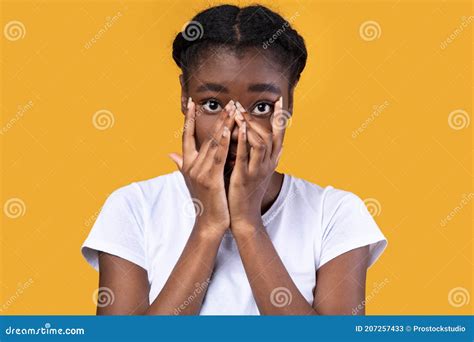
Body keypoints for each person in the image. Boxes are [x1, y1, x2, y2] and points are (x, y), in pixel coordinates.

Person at [81, 4, 387, 315]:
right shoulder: (133, 207)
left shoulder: (335, 213)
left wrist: (248, 223)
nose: (234, 130)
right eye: (212, 104)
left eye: (262, 107)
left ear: (289, 103)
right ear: (185, 99)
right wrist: (208, 226)